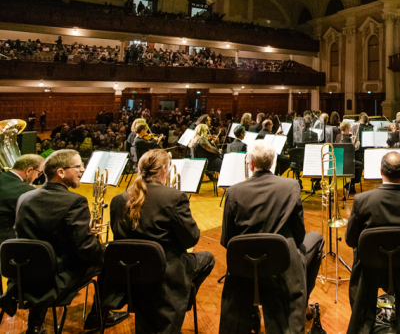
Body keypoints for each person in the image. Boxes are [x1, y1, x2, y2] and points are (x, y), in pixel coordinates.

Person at [0, 150, 128, 332]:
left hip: (26, 275)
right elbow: (85, 250)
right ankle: (96, 316)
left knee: (42, 258)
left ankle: (35, 326)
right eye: (78, 166)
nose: (82, 170)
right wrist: (100, 246)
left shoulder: (25, 197)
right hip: (57, 278)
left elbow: (40, 233)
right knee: (108, 257)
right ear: (60, 172)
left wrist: (81, 230)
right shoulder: (75, 201)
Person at [220, 141, 324, 334]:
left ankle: (251, 312)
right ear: (273, 162)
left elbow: (227, 240)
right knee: (316, 239)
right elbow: (300, 234)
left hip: (245, 266)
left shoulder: (233, 191)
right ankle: (301, 300)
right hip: (282, 266)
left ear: (251, 164)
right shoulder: (291, 186)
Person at [109, 150, 215, 334]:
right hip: (166, 273)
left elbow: (119, 238)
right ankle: (178, 298)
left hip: (132, 271)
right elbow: (191, 238)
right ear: (165, 169)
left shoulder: (118, 200)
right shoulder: (174, 197)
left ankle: (174, 300)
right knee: (207, 258)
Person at [345, 151, 400, 334]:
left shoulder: (362, 200)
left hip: (371, 268)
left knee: (359, 254)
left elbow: (351, 240)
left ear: (380, 171)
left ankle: (362, 323)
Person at [0, 154, 44, 244]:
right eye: (39, 173)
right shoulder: (27, 191)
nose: (37, 177)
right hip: (7, 244)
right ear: (29, 171)